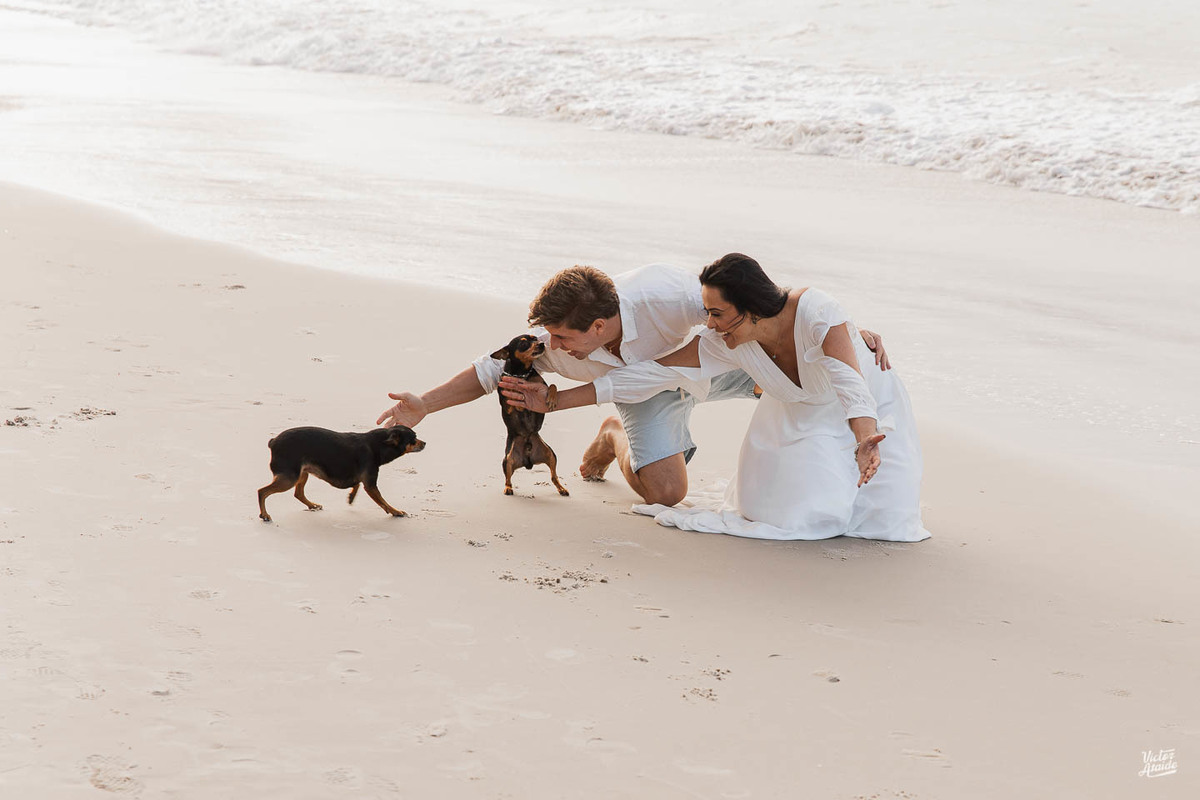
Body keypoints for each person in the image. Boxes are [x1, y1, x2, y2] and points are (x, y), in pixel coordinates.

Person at [377, 262, 889, 507]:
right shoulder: (550, 341)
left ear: (599, 326)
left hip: (699, 365)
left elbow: (750, 303)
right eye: (547, 335)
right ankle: (613, 436)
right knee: (665, 495)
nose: (551, 344)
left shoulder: (667, 295)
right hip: (633, 390)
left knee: (787, 374)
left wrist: (834, 331)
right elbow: (487, 371)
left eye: (562, 337)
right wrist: (426, 402)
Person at [499, 253, 928, 542]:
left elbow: (850, 383)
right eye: (705, 311)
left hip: (863, 412)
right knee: (785, 514)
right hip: (797, 414)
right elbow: (647, 376)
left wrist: (865, 437)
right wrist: (554, 401)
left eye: (717, 313)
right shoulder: (723, 341)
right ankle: (615, 434)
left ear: (751, 306)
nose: (707, 323)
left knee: (876, 519)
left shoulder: (816, 311)